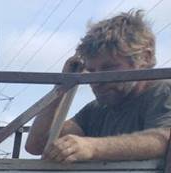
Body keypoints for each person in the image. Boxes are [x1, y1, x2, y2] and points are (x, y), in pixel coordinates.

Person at [26, 10, 171, 162]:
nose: (96, 81)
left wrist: (92, 147)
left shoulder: (162, 93)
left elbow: (164, 140)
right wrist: (62, 85)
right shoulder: (96, 111)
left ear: (144, 58)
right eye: (91, 70)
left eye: (108, 68)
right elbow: (37, 145)